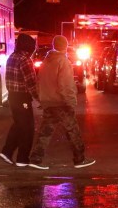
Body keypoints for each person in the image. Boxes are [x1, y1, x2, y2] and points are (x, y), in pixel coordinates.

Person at [29, 35, 95, 170]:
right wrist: (71, 101)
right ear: (65, 46)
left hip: (49, 101)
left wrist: (42, 99)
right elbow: (66, 85)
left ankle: (36, 159)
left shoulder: (47, 61)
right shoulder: (63, 62)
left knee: (45, 132)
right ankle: (79, 159)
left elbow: (40, 81)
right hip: (61, 103)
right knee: (73, 131)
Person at [0, 33, 39, 167]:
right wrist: (40, 99)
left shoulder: (12, 57)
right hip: (22, 97)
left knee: (18, 125)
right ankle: (22, 158)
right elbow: (31, 83)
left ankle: (7, 152)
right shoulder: (25, 60)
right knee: (28, 128)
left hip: (12, 96)